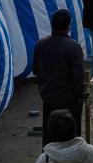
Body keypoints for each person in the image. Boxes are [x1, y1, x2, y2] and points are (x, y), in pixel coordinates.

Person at [33, 10, 85, 147]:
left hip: (49, 98)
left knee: (50, 136)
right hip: (70, 100)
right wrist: (81, 95)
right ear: (68, 26)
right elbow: (78, 77)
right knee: (71, 138)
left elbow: (36, 70)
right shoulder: (73, 47)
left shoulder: (41, 45)